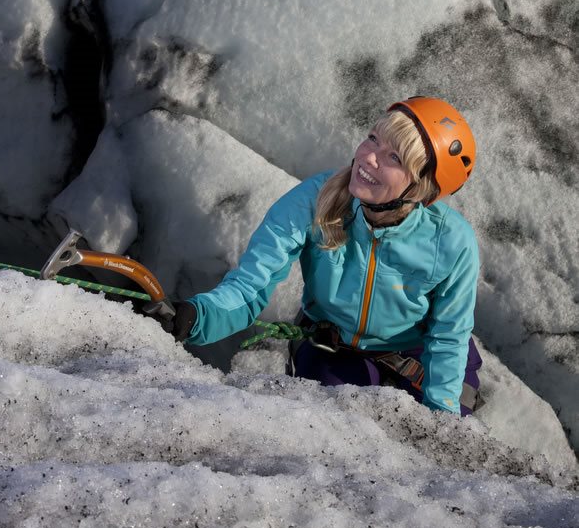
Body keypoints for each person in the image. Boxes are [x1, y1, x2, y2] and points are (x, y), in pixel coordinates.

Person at [154, 96, 482, 415]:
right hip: (334, 348)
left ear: (421, 189)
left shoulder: (452, 242)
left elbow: (448, 337)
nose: (369, 158)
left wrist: (442, 420)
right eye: (372, 139)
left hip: (420, 356)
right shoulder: (314, 200)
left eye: (394, 157)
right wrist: (197, 316)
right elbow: (251, 286)